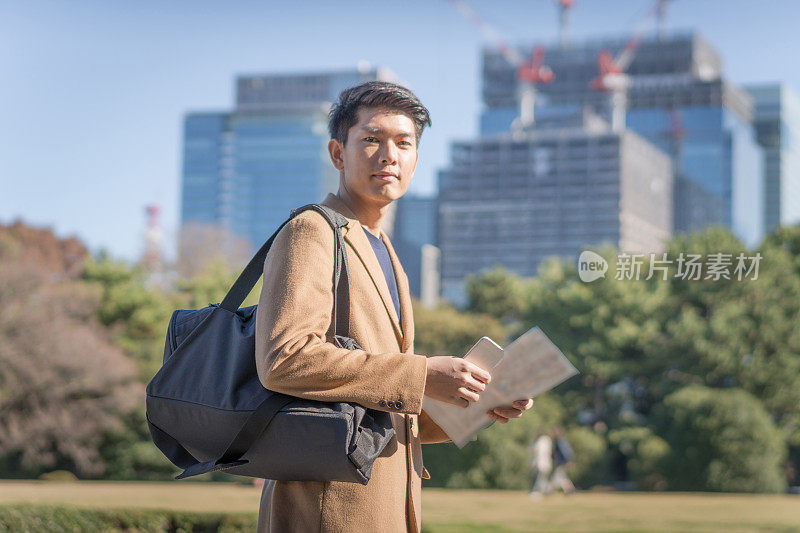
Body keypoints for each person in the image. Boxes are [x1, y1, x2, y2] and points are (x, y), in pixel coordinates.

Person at [254, 81, 535, 532]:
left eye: (404, 143)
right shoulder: (313, 231)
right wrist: (423, 374)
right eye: (371, 139)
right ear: (337, 153)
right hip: (325, 512)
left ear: (416, 160)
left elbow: (384, 413)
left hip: (386, 509)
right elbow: (285, 360)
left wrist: (475, 404)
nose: (389, 155)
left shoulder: (388, 252)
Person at [550, 427, 576, 495]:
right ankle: (570, 490)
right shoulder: (560, 441)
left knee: (558, 477)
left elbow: (566, 452)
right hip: (560, 462)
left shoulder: (560, 441)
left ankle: (550, 491)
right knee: (561, 477)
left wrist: (569, 460)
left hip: (561, 463)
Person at [528, 431, 553, 498]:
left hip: (540, 463)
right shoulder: (547, 441)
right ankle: (547, 491)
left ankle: (537, 491)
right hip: (545, 463)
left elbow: (537, 452)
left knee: (538, 478)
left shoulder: (540, 442)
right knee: (542, 479)